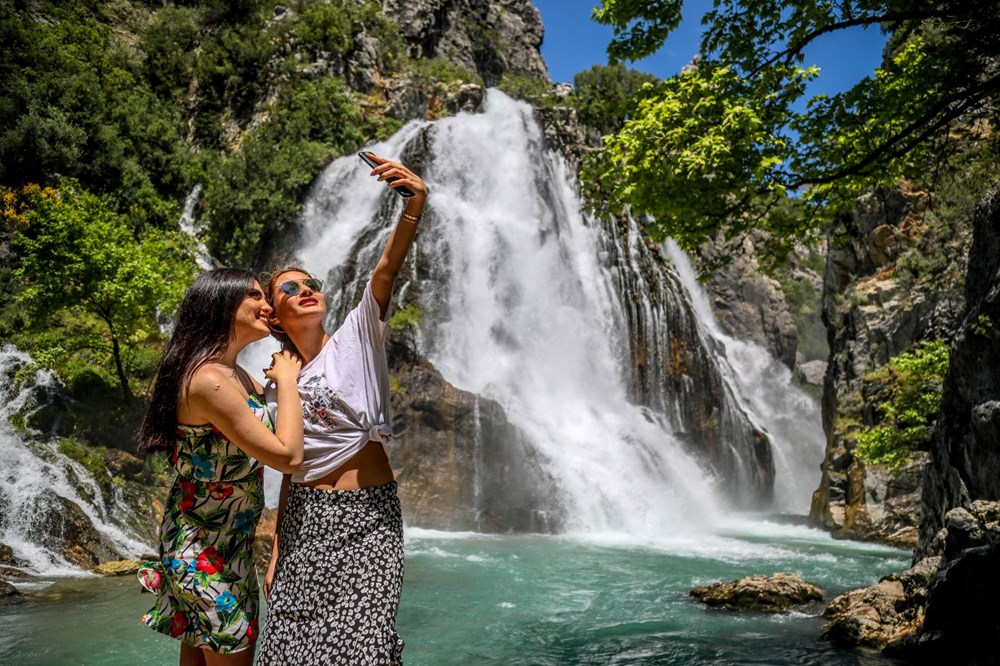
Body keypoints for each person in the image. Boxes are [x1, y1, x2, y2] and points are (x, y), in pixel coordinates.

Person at [256, 153, 427, 665]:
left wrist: (414, 203)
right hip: (306, 522)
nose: (306, 290)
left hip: (368, 518)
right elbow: (292, 464)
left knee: (364, 646)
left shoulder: (358, 336)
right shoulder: (278, 381)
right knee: (289, 646)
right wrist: (280, 546)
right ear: (274, 314)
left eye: (311, 284)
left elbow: (385, 269)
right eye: (291, 287)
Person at [137, 268, 305, 666]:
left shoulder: (237, 376)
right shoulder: (209, 380)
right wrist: (288, 380)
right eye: (254, 297)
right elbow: (288, 456)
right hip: (203, 552)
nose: (267, 306)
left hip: (228, 546)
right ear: (222, 303)